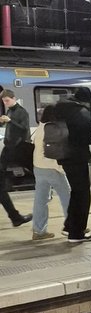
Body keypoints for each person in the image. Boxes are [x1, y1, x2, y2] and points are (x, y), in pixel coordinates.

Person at [54, 87, 91, 243]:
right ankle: (76, 233)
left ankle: (70, 226)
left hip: (63, 156)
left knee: (76, 191)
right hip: (77, 157)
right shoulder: (81, 112)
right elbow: (89, 137)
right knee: (83, 194)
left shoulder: (61, 109)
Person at [30, 105, 70, 242]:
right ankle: (72, 226)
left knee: (40, 200)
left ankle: (38, 230)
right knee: (67, 197)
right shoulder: (52, 128)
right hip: (52, 169)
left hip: (38, 167)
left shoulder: (40, 127)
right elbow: (55, 150)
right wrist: (60, 168)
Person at [0, 87, 31, 228]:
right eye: (3, 101)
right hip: (9, 148)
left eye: (7, 100)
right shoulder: (10, 111)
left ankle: (15, 217)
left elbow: (24, 128)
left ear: (13, 98)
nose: (5, 103)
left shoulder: (21, 112)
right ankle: (15, 217)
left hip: (18, 149)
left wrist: (10, 120)